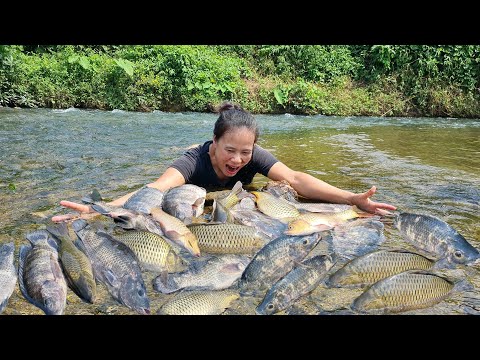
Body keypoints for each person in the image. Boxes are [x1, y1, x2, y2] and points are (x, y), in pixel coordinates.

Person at [52, 101, 396, 222]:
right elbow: (155, 189)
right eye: (230, 150)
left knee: (279, 187)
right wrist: (102, 209)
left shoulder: (252, 157)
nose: (237, 159)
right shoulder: (193, 161)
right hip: (198, 184)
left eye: (245, 152)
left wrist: (351, 198)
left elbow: (296, 178)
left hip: (231, 193)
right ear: (214, 143)